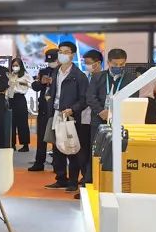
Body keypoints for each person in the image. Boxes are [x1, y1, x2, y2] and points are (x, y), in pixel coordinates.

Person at [43, 41, 89, 192]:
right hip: (56, 114)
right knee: (57, 147)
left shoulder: (79, 76)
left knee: (71, 148)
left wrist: (72, 109)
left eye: (66, 52)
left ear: (73, 55)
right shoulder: (56, 71)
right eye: (60, 51)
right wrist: (49, 99)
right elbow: (53, 91)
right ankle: (61, 178)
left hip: (70, 116)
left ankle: (73, 181)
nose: (62, 54)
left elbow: (84, 99)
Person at [87, 48, 138, 181]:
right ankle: (91, 181)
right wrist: (100, 111)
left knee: (118, 152)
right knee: (95, 152)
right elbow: (90, 97)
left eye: (122, 64)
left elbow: (133, 99)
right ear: (109, 62)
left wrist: (117, 113)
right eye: (115, 64)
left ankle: (112, 182)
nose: (118, 67)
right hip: (99, 120)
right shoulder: (98, 77)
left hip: (121, 121)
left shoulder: (131, 78)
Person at [78, 49, 105, 187]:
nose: (86, 65)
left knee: (94, 151)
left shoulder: (104, 78)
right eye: (85, 62)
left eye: (88, 63)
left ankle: (90, 180)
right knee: (83, 150)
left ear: (97, 63)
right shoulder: (85, 77)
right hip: (83, 118)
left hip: (98, 119)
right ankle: (85, 176)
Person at [29, 49, 58, 172]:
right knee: (41, 136)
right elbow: (35, 87)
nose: (51, 63)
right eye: (49, 61)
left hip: (56, 108)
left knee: (56, 137)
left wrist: (54, 82)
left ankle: (57, 163)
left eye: (53, 60)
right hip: (44, 108)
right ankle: (39, 162)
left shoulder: (62, 72)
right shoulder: (44, 71)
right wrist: (42, 82)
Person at [7, 56, 32, 152]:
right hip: (11, 99)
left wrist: (23, 83)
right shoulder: (10, 75)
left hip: (20, 99)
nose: (15, 67)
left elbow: (32, 85)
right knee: (11, 123)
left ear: (21, 66)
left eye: (17, 65)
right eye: (13, 65)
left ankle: (25, 145)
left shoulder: (25, 75)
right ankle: (12, 144)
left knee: (22, 123)